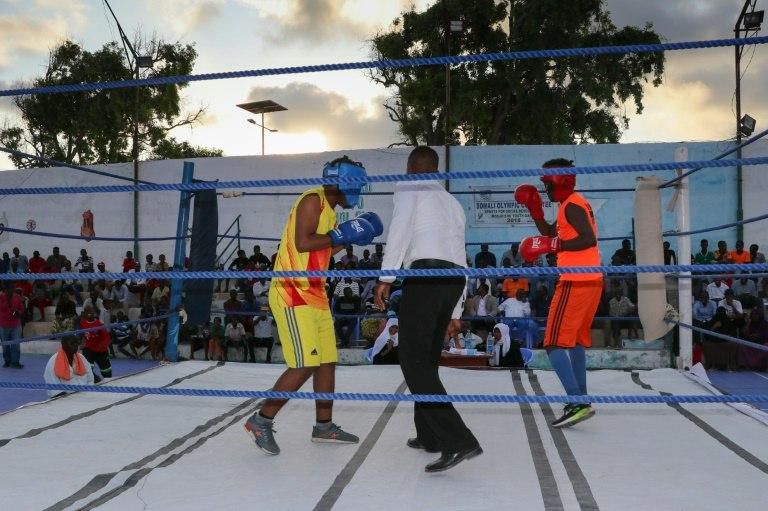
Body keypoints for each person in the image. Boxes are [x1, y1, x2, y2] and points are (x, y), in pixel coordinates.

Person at [244, 155, 381, 455]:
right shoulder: (312, 201)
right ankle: (261, 420)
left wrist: (354, 236)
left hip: (316, 292)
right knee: (305, 363)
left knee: (327, 361)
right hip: (293, 291)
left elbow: (325, 247)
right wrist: (341, 234)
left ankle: (324, 426)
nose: (359, 190)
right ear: (345, 180)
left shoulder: (330, 212)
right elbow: (304, 242)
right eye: (357, 182)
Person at [374, 146, 482, 473]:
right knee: (427, 362)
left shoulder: (410, 186)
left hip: (425, 278)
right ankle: (429, 436)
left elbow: (400, 229)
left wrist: (386, 276)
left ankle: (458, 440)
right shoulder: (451, 202)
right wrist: (456, 310)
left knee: (412, 361)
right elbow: (461, 255)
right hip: (451, 281)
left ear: (411, 167)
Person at [515, 158, 602, 427]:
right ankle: (582, 399)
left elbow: (588, 239)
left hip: (576, 281)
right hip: (591, 280)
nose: (546, 190)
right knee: (573, 342)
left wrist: (554, 244)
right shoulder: (572, 204)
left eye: (548, 184)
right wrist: (535, 212)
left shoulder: (573, 205)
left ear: (560, 180)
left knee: (552, 342)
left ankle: (576, 401)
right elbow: (552, 233)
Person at [80, 305, 112, 382]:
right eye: (88, 312)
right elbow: (81, 334)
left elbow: (106, 338)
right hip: (89, 349)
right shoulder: (82, 323)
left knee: (107, 372)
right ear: (85, 313)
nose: (90, 314)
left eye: (91, 312)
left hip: (100, 350)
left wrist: (103, 346)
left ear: (94, 313)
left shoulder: (99, 324)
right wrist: (81, 343)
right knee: (87, 368)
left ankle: (108, 383)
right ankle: (95, 379)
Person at [0, 281, 25, 369]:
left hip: (15, 324)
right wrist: (8, 300)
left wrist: (18, 313)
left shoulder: (17, 297)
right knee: (5, 345)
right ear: (5, 288)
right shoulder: (1, 297)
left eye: (13, 288)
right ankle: (7, 361)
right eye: (10, 288)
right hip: (3, 325)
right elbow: (2, 308)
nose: (12, 290)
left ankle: (15, 362)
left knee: (16, 344)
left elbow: (22, 310)